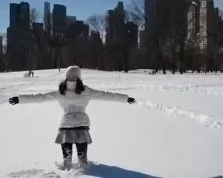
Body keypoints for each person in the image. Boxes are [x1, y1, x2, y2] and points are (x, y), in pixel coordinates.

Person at [8, 66, 136, 171]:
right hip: (77, 126)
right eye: (72, 76)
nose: (72, 78)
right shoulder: (79, 91)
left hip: (68, 127)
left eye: (72, 76)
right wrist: (125, 98)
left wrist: (19, 99)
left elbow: (39, 97)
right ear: (74, 77)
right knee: (77, 159)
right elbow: (107, 96)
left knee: (71, 159)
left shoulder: (63, 91)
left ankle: (71, 171)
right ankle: (79, 172)